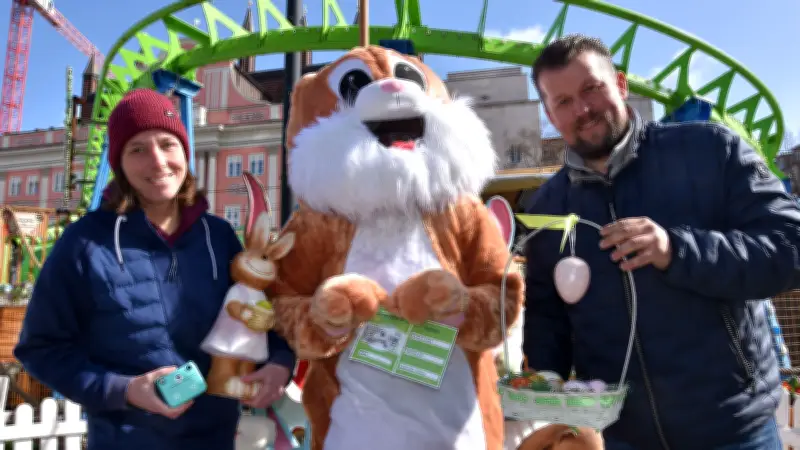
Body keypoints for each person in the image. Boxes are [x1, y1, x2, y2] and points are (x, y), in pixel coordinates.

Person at [523, 34, 800, 450]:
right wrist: (546, 394)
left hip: (733, 429)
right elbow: (548, 319)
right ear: (548, 112)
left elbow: (789, 245)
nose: (581, 109)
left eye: (591, 89)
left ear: (620, 84)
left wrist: (677, 250)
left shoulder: (710, 149)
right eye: (562, 102)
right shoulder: (546, 207)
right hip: (622, 437)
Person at [14, 89, 296, 449]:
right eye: (137, 149)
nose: (158, 161)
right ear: (120, 163)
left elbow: (263, 314)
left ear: (184, 151)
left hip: (217, 439)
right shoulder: (84, 244)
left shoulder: (219, 236)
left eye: (167, 144)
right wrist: (125, 390)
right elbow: (40, 349)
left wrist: (279, 364)